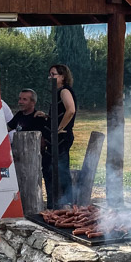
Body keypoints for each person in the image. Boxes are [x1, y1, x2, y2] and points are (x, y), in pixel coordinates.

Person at [47, 64, 77, 207]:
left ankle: (68, 203)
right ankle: (58, 203)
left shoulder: (64, 91)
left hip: (62, 137)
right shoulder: (58, 92)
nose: (50, 77)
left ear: (63, 77)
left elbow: (70, 110)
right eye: (50, 74)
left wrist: (59, 128)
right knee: (55, 169)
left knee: (62, 170)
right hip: (58, 137)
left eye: (54, 75)